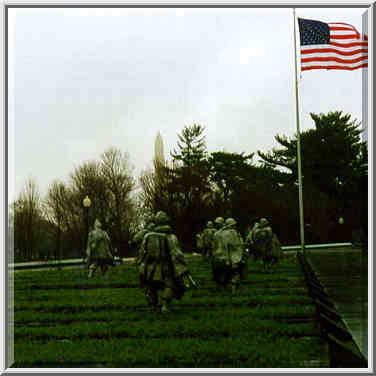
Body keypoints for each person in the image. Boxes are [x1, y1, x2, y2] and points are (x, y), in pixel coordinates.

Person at [137, 211, 196, 313]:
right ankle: (165, 306)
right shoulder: (171, 237)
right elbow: (176, 254)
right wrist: (183, 269)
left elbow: (142, 251)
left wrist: (141, 264)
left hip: (150, 267)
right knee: (169, 285)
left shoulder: (148, 236)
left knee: (151, 286)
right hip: (166, 267)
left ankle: (153, 306)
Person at [214, 218, 246, 293]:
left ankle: (223, 289)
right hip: (233, 257)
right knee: (235, 274)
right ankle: (233, 291)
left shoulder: (219, 233)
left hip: (219, 257)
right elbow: (234, 246)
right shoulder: (232, 233)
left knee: (223, 275)